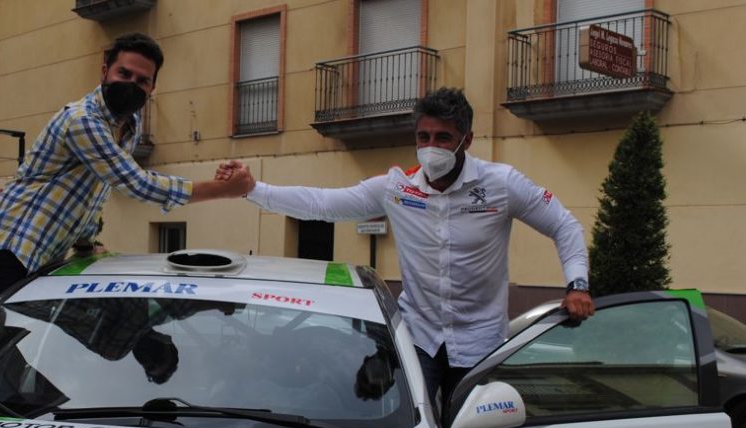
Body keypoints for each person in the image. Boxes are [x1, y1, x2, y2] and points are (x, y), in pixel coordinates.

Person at [218, 87, 594, 406]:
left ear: (467, 140)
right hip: (419, 338)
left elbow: (564, 225)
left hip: (481, 341)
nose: (431, 147)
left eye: (443, 138)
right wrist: (253, 189)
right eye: (423, 137)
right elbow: (323, 203)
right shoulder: (397, 189)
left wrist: (577, 285)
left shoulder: (502, 184)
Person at [0, 32, 254, 303]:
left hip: (47, 259)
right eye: (124, 74)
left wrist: (86, 244)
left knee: (116, 335)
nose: (132, 84)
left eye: (142, 80)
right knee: (8, 346)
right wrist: (223, 189)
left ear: (152, 88)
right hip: (12, 253)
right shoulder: (82, 120)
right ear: (105, 71)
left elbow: (93, 193)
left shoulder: (128, 126)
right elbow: (136, 184)